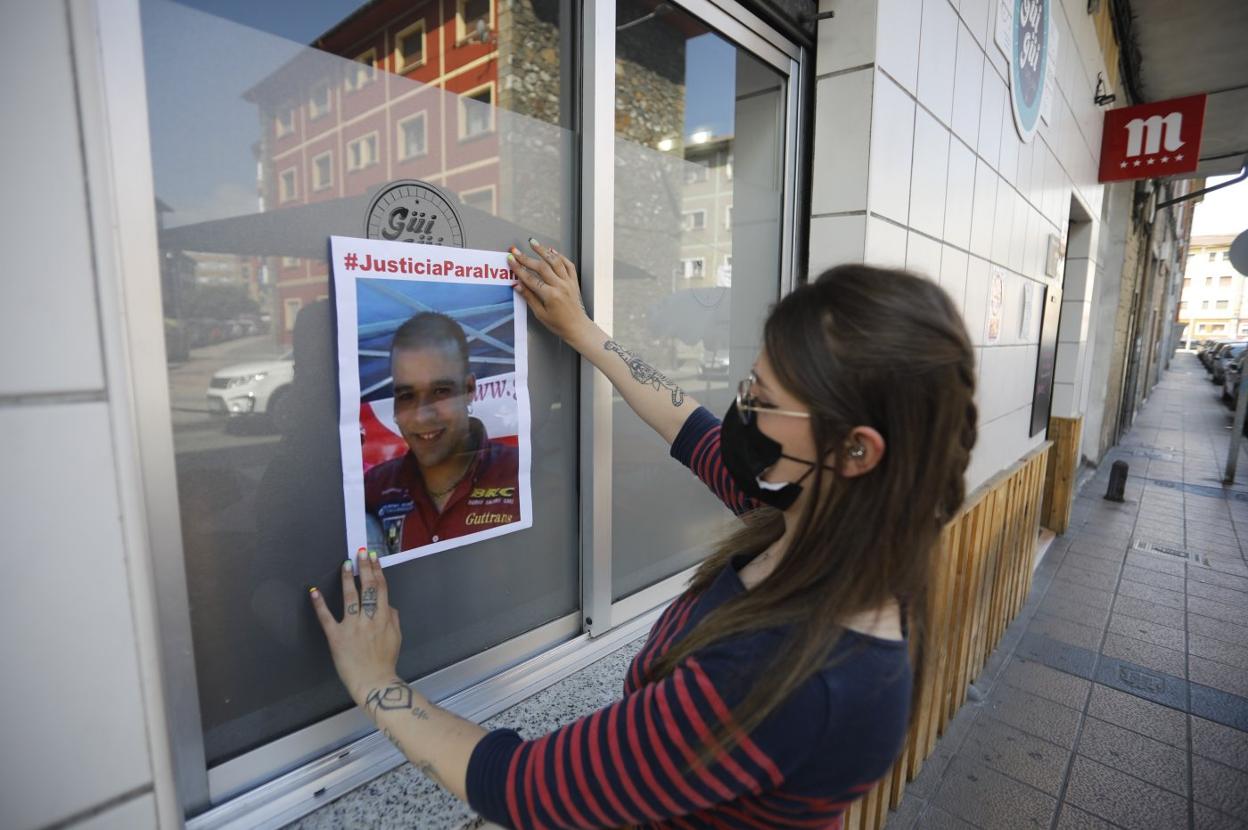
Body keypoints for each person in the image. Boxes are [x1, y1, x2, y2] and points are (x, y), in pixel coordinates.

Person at [311, 238, 978, 828]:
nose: (739, 408)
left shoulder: (787, 672)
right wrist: (584, 333)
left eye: (762, 401)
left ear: (855, 451)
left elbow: (521, 789)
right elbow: (689, 426)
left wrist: (375, 682)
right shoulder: (815, 518)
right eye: (750, 380)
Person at [364, 311, 520, 554]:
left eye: (440, 391)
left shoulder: (520, 475)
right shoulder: (373, 490)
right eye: (406, 396)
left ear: (469, 389)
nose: (421, 415)